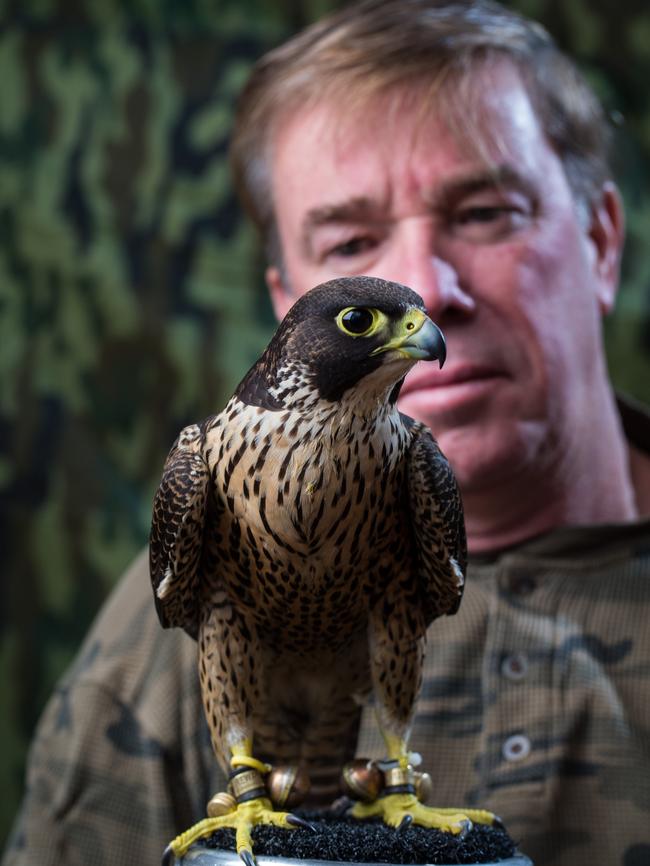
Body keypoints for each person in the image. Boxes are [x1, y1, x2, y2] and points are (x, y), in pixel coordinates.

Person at [4, 1, 650, 865]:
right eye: (352, 240)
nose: (426, 286)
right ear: (284, 304)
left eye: (487, 212)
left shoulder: (414, 481)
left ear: (604, 245)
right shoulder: (178, 579)